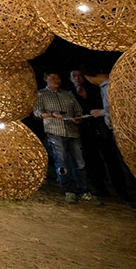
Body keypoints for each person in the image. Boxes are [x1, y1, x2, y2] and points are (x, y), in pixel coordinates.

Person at [80, 65, 136, 224]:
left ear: (90, 77)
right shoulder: (108, 85)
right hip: (124, 133)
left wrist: (102, 112)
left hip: (126, 134)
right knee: (133, 168)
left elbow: (119, 108)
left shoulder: (110, 86)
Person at [33, 71, 100, 204]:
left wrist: (77, 118)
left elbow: (78, 110)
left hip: (72, 131)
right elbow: (37, 112)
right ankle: (68, 190)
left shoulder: (68, 94)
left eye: (58, 77)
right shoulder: (41, 94)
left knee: (79, 163)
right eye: (53, 78)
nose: (56, 80)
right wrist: (52, 114)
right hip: (55, 131)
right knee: (62, 162)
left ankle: (83, 190)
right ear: (46, 79)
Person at [69, 70, 110, 197]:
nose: (77, 78)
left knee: (110, 158)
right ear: (70, 79)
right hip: (83, 131)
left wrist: (86, 97)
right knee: (91, 160)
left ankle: (121, 188)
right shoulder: (70, 93)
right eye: (74, 76)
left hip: (100, 128)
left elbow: (102, 106)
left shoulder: (94, 90)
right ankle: (100, 187)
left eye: (79, 75)